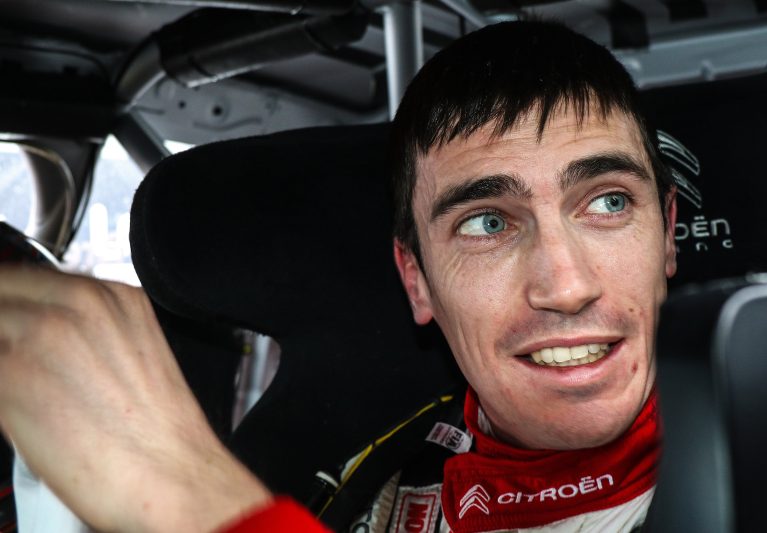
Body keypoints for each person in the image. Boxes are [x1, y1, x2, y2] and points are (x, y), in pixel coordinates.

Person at [0, 18, 676, 533]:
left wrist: (190, 494)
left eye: (608, 203)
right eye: (488, 222)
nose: (566, 286)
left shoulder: (737, 457)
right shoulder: (383, 464)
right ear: (417, 281)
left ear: (669, 233)